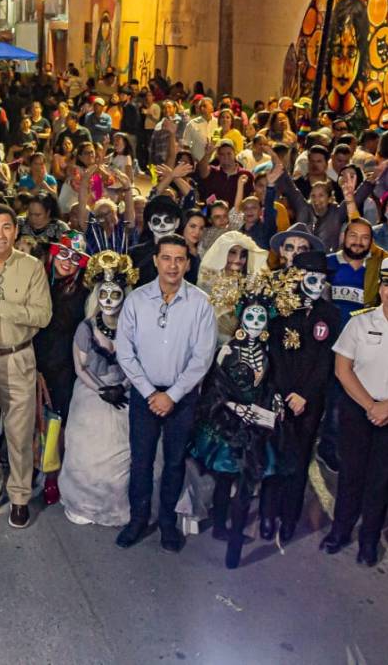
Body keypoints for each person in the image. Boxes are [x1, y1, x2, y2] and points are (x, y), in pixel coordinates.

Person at [115, 234, 217, 552]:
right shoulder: (136, 300)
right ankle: (137, 520)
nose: (172, 265)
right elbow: (124, 351)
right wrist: (150, 392)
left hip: (182, 398)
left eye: (179, 259)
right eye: (167, 258)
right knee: (141, 461)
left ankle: (168, 524)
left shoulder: (200, 303)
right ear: (156, 260)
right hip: (144, 395)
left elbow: (202, 358)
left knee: (174, 463)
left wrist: (172, 395)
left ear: (187, 264)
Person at [190, 275, 296, 568]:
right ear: (241, 318)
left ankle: (234, 542)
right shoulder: (226, 351)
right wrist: (235, 407)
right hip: (228, 425)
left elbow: (269, 384)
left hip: (257, 425)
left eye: (260, 317)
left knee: (248, 482)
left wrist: (274, 400)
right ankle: (221, 528)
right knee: (225, 478)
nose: (255, 322)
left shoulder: (266, 352)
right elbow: (214, 389)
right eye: (250, 316)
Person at [0, 204, 52, 528]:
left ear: (16, 231)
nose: (0, 234)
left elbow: (43, 315)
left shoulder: (31, 267)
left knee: (19, 432)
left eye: (6, 227)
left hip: (18, 358)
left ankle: (19, 496)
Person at [258, 251, 341, 544]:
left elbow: (326, 361)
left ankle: (289, 517)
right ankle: (267, 514)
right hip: (279, 397)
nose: (317, 284)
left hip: (310, 402)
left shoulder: (330, 314)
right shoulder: (281, 309)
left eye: (321, 278)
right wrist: (283, 393)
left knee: (300, 457)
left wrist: (305, 395)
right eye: (310, 277)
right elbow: (274, 355)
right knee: (273, 456)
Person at [58, 251, 139, 526]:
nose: (108, 300)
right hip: (91, 394)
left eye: (115, 294)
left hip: (123, 396)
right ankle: (82, 504)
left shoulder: (133, 327)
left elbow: (138, 363)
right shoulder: (86, 328)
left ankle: (113, 507)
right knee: (86, 454)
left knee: (120, 456)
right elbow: (80, 368)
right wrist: (102, 390)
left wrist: (122, 387)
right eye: (103, 294)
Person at [323, 258, 388, 566]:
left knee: (381, 481)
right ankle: (340, 530)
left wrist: (386, 407)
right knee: (351, 475)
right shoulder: (360, 322)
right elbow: (342, 369)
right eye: (386, 284)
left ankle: (369, 541)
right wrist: (371, 406)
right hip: (358, 410)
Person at [34, 233, 91, 504]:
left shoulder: (82, 293)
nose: (68, 261)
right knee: (29, 420)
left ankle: (52, 476)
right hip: (31, 360)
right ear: (54, 253)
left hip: (63, 367)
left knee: (57, 422)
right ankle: (30, 467)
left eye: (75, 258)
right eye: (64, 254)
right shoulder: (37, 280)